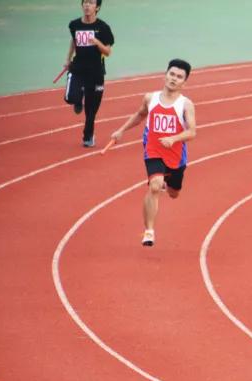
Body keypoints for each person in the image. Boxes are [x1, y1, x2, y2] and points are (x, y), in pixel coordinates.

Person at [108, 59, 197, 247]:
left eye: (179, 77)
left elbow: (192, 132)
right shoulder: (151, 98)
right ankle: (149, 231)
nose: (174, 79)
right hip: (153, 150)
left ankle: (168, 184)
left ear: (184, 82)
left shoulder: (186, 104)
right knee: (155, 186)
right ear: (165, 74)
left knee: (174, 193)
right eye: (172, 74)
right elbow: (140, 115)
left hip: (176, 155)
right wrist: (121, 130)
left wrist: (173, 139)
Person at [64, 0, 115, 147]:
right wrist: (68, 59)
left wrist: (97, 42)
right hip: (78, 68)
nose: (87, 5)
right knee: (70, 97)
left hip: (96, 72)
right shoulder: (74, 25)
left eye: (91, 3)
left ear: (97, 7)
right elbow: (74, 42)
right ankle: (78, 100)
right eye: (85, 2)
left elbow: (108, 52)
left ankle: (88, 136)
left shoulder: (103, 28)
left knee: (91, 109)